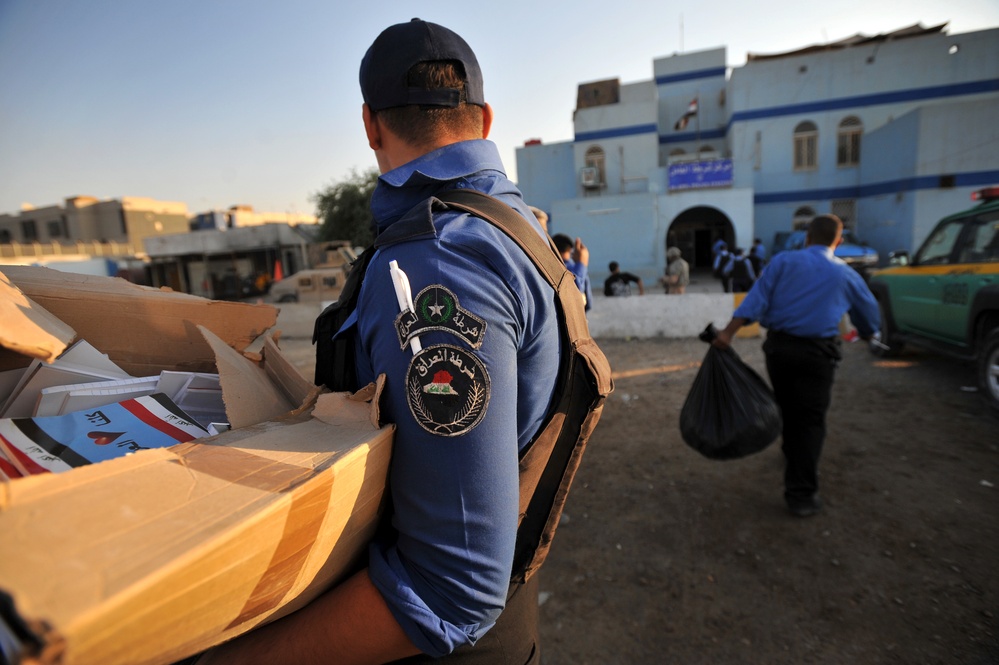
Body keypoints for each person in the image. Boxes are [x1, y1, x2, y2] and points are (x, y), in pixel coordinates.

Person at [198, 19, 559, 664]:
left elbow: (451, 590)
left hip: (428, 642)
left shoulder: (438, 262)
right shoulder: (518, 228)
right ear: (486, 117)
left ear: (370, 125)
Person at [711, 214, 879, 518]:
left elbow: (755, 301)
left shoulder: (782, 262)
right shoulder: (845, 273)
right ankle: (801, 495)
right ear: (838, 242)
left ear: (807, 237)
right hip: (818, 355)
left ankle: (792, 453)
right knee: (811, 418)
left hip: (780, 351)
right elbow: (868, 312)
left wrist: (727, 334)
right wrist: (868, 333)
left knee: (787, 405)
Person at [553, 232, 592, 311]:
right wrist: (581, 264)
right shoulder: (579, 269)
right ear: (570, 250)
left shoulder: (552, 268)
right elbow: (588, 304)